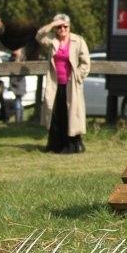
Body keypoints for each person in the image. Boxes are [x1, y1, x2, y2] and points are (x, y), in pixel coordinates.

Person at [36, 14, 91, 154]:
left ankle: (72, 146)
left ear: (69, 26)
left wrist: (78, 76)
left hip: (71, 85)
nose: (62, 29)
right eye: (59, 27)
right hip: (55, 85)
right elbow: (39, 36)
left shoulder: (78, 41)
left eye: (65, 26)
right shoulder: (52, 41)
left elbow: (86, 62)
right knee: (56, 115)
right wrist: (51, 24)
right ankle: (55, 145)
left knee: (71, 115)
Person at [8, 48, 27, 123]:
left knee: (18, 102)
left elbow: (22, 73)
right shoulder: (11, 59)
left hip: (20, 84)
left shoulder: (23, 60)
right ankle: (19, 120)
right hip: (14, 84)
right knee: (18, 102)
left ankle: (18, 120)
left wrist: (18, 59)